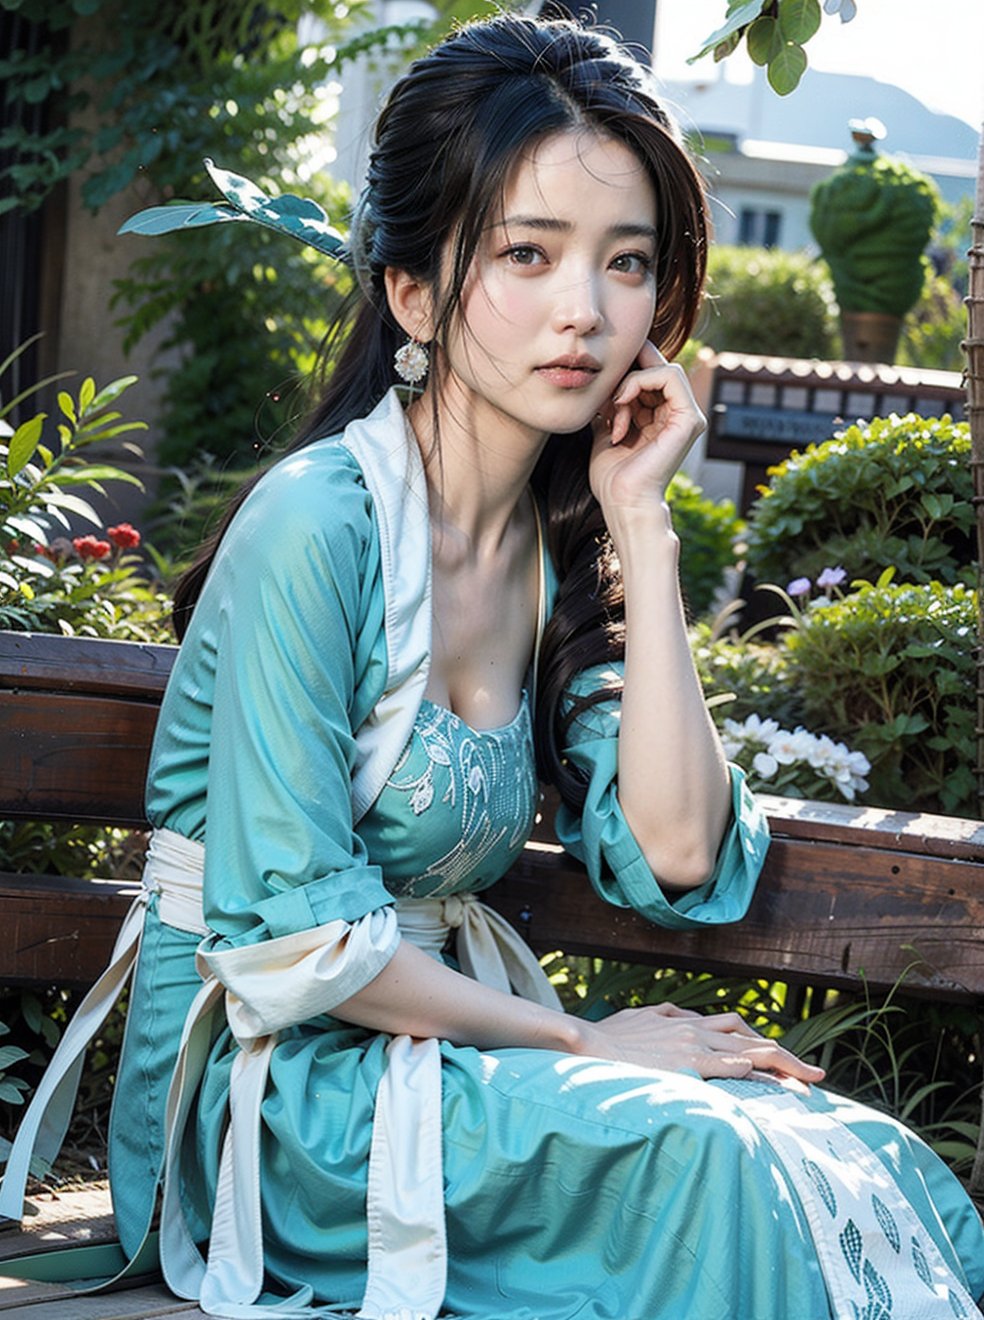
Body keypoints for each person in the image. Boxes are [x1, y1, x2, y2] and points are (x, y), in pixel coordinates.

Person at [3, 13, 982, 1320]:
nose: (584, 308)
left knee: (869, 1164)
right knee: (717, 1164)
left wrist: (641, 520)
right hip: (278, 1099)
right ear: (410, 291)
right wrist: (586, 1038)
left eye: (625, 262)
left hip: (445, 1064)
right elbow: (290, 939)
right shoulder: (320, 525)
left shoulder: (552, 550)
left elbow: (679, 852)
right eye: (528, 253)